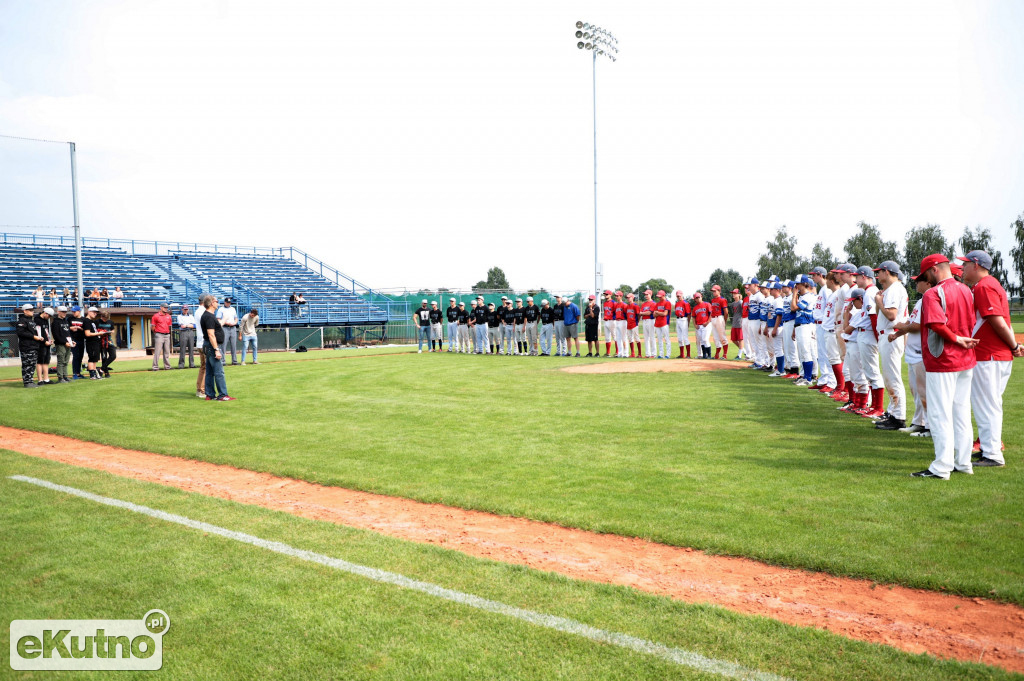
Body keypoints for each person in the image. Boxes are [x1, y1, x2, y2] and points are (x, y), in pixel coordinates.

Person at [912, 254, 979, 479]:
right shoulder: (966, 290)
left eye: (925, 274)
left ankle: (942, 467)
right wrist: (961, 339)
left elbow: (937, 324)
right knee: (960, 412)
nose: (925, 279)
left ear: (934, 270)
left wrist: (955, 338)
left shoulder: (933, 293)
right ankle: (963, 462)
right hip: (965, 358)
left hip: (943, 359)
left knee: (940, 414)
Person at [960, 250, 1022, 467]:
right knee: (989, 403)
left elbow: (996, 320)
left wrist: (1013, 345)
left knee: (987, 405)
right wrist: (1012, 345)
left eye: (966, 264)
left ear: (976, 265)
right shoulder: (989, 284)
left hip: (989, 355)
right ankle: (988, 448)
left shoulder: (985, 285)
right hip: (994, 354)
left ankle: (993, 454)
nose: (963, 268)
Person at [888, 274, 930, 436]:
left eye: (918, 281)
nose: (915, 283)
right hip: (913, 352)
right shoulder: (920, 301)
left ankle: (929, 427)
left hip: (921, 352)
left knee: (925, 393)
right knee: (917, 392)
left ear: (927, 283)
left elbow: (917, 326)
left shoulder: (929, 299)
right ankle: (919, 423)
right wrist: (898, 333)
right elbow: (910, 323)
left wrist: (899, 327)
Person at [873, 261, 909, 430]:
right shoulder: (891, 289)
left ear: (886, 272)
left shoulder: (895, 289)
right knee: (889, 377)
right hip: (888, 335)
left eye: (879, 272)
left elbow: (892, 315)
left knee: (893, 378)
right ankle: (893, 413)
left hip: (891, 335)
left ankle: (898, 416)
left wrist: (879, 301)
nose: (877, 275)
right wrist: (879, 300)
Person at [200, 295, 234, 401]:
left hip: (208, 345)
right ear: (211, 303)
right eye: (216, 301)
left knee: (210, 372)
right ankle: (223, 395)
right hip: (211, 346)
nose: (217, 303)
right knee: (219, 372)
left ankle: (209, 395)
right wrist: (216, 350)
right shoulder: (209, 316)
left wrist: (223, 320)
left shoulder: (208, 315)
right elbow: (211, 334)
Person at [16, 304, 40, 387]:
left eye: (32, 310)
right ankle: (27, 382)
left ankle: (30, 380)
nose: (32, 311)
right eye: (30, 310)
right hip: (26, 346)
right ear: (25, 311)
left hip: (33, 345)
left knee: (32, 364)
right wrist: (33, 336)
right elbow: (20, 332)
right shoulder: (22, 321)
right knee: (27, 364)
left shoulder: (31, 321)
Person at [83, 306, 108, 380]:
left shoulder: (91, 321)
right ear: (89, 312)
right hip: (91, 343)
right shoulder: (87, 321)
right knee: (92, 359)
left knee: (95, 359)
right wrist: (98, 333)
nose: (95, 314)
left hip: (95, 342)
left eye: (96, 312)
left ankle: (95, 374)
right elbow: (87, 333)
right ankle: (92, 375)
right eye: (93, 312)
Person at [51, 305, 74, 383]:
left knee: (66, 361)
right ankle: (60, 377)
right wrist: (64, 343)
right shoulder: (55, 322)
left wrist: (71, 341)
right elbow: (56, 335)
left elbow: (68, 333)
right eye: (63, 312)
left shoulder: (66, 321)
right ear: (58, 312)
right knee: (61, 361)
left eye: (65, 312)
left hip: (68, 343)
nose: (64, 313)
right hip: (61, 344)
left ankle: (65, 376)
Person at [33, 307, 54, 385]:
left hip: (46, 344)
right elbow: (38, 333)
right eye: (49, 316)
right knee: (40, 361)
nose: (49, 318)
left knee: (46, 361)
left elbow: (46, 332)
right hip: (40, 344)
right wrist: (45, 341)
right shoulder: (37, 320)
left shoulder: (45, 320)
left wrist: (49, 340)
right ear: (45, 313)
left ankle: (46, 379)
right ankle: (40, 380)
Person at [216, 298, 240, 364]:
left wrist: (235, 323)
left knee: (234, 345)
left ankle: (234, 361)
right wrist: (226, 323)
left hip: (233, 327)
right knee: (223, 345)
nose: (228, 303)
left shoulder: (233, 309)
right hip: (225, 327)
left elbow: (236, 318)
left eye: (229, 302)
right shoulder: (221, 309)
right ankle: (223, 361)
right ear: (224, 302)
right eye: (227, 302)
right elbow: (218, 319)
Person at [708, 285, 729, 359]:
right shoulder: (713, 300)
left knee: (722, 337)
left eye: (715, 291)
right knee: (715, 338)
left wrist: (724, 321)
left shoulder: (722, 300)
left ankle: (725, 355)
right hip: (713, 318)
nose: (713, 292)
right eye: (713, 291)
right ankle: (717, 355)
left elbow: (726, 312)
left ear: (719, 291)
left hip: (719, 317)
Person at [151, 302, 173, 370]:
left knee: (166, 352)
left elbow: (169, 327)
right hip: (159, 334)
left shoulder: (168, 316)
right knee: (157, 351)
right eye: (164, 307)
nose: (166, 309)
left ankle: (167, 366)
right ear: (161, 307)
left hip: (167, 335)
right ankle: (155, 366)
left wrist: (168, 333)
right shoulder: (156, 316)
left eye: (167, 308)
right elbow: (153, 327)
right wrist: (156, 333)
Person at [194, 297, 208, 398]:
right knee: (206, 367)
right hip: (204, 342)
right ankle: (202, 390)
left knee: (203, 367)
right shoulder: (203, 312)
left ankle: (199, 389)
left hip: (199, 342)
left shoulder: (197, 311)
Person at [691, 292, 712, 359]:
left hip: (706, 324)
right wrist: (695, 325)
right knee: (701, 341)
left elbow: (711, 313)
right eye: (696, 298)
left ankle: (709, 355)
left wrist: (708, 322)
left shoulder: (707, 304)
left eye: (698, 297)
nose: (697, 299)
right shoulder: (695, 308)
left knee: (705, 339)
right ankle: (704, 355)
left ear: (701, 297)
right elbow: (693, 317)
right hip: (699, 326)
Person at [97, 310, 116, 377]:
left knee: (113, 356)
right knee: (104, 357)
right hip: (101, 341)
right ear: (101, 316)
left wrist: (111, 331)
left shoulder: (110, 322)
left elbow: (113, 329)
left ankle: (101, 369)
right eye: (103, 319)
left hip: (109, 340)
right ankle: (106, 373)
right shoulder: (97, 322)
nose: (104, 320)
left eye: (106, 319)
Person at [177, 304, 197, 368]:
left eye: (186, 309)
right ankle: (181, 365)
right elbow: (182, 326)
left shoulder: (191, 316)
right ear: (182, 309)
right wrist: (189, 325)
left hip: (190, 332)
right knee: (182, 349)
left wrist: (186, 325)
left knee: (191, 348)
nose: (186, 310)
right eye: (184, 309)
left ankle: (192, 364)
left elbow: (194, 325)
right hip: (183, 332)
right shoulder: (179, 316)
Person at [653, 290, 672, 359]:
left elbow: (665, 313)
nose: (659, 298)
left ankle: (668, 354)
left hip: (664, 323)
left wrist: (658, 312)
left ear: (664, 295)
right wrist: (659, 313)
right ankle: (661, 354)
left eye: (660, 296)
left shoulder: (667, 303)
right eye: (658, 296)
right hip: (657, 323)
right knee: (659, 339)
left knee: (666, 339)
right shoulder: (657, 304)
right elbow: (654, 315)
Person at [69, 306, 86, 379]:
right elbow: (66, 327)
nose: (73, 313)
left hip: (81, 339)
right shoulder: (70, 319)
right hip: (73, 340)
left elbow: (86, 329)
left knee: (80, 357)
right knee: (75, 356)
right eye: (72, 311)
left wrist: (80, 328)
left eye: (74, 311)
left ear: (79, 311)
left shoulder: (83, 319)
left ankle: (78, 373)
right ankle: (75, 373)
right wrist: (71, 328)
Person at [674, 290, 691, 358]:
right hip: (678, 319)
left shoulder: (685, 303)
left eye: (679, 296)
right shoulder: (677, 303)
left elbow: (689, 314)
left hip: (684, 319)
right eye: (677, 296)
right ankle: (682, 354)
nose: (678, 297)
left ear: (682, 295)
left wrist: (688, 322)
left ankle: (688, 355)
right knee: (680, 338)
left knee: (685, 337)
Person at [640, 290, 657, 358]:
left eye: (647, 294)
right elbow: (643, 312)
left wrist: (641, 313)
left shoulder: (653, 303)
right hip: (644, 320)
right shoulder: (643, 304)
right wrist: (642, 313)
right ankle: (647, 354)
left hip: (651, 320)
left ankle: (653, 354)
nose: (646, 296)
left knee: (652, 337)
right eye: (645, 294)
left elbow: (649, 313)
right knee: (646, 338)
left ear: (650, 295)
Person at [729, 289, 744, 360]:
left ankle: (739, 355)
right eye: (733, 293)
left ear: (739, 294)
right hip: (734, 322)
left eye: (735, 293)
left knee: (740, 339)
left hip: (739, 322)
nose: (733, 294)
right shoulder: (733, 304)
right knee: (733, 339)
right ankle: (744, 351)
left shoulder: (741, 302)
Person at [601, 290, 616, 357]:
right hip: (606, 321)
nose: (605, 295)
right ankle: (608, 353)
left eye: (607, 294)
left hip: (612, 321)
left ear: (610, 295)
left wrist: (613, 318)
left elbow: (616, 312)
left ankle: (617, 352)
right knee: (607, 338)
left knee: (615, 337)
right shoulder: (604, 303)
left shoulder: (613, 302)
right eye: (605, 294)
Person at [613, 291, 628, 358]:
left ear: (621, 296)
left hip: (623, 321)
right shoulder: (616, 305)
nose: (616, 297)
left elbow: (626, 314)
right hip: (617, 321)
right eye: (616, 296)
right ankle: (620, 353)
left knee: (624, 337)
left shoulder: (624, 305)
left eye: (617, 296)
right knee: (618, 338)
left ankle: (626, 353)